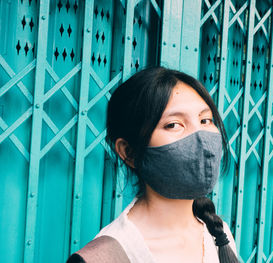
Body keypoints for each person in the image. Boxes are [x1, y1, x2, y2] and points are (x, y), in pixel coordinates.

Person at [67, 67, 239, 263]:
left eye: (205, 120)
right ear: (129, 152)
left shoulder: (219, 235)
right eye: (173, 124)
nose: (201, 138)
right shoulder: (104, 257)